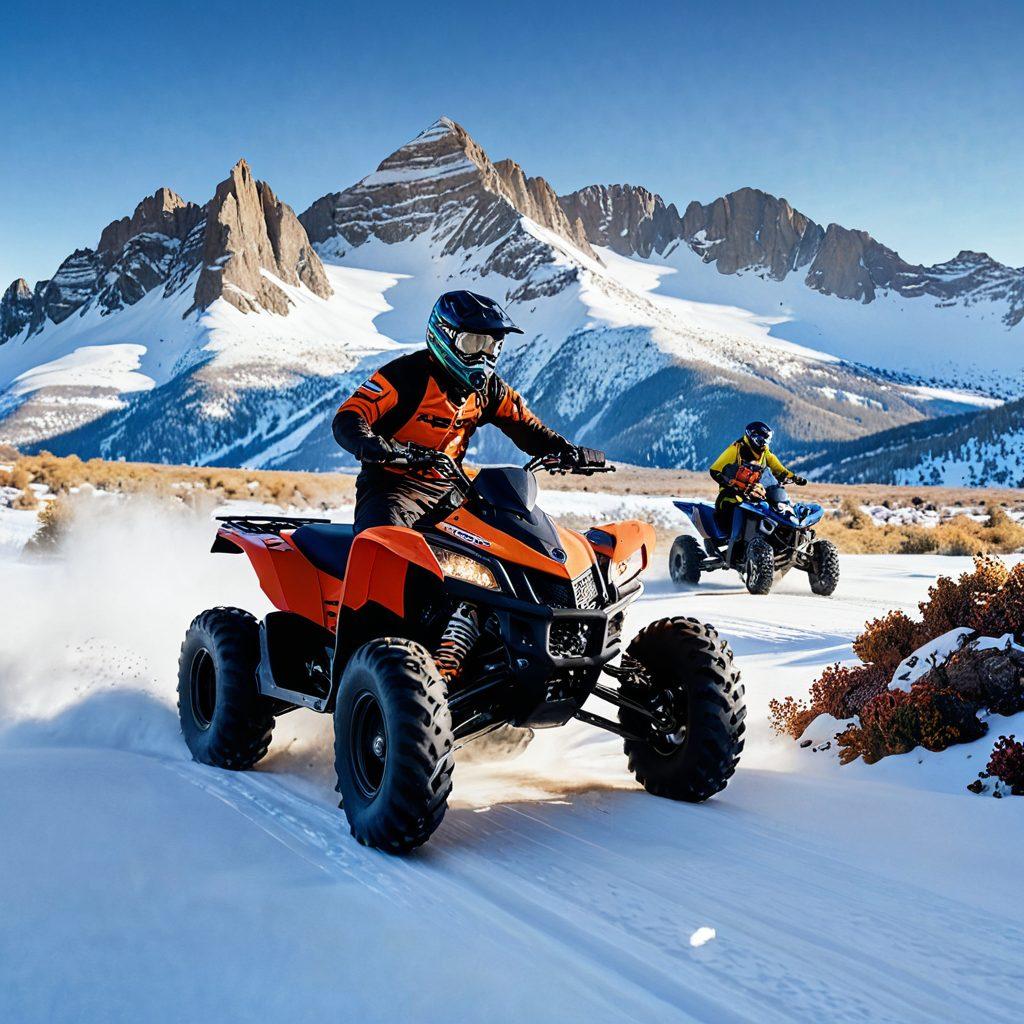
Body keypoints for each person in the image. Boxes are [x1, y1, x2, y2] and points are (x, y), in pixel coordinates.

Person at [333, 290, 605, 533]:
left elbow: (527, 428)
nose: (484, 357)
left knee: (511, 534)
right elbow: (350, 415)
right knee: (384, 541)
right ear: (445, 336)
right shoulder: (406, 376)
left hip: (454, 488)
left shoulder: (490, 390)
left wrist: (567, 450)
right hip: (393, 487)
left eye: (492, 346)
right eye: (474, 344)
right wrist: (368, 444)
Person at [708, 421, 807, 533]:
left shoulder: (765, 452)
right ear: (753, 438)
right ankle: (734, 539)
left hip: (757, 491)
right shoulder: (735, 449)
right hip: (733, 492)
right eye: (762, 441)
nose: (764, 444)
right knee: (736, 507)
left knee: (776, 509)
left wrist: (794, 477)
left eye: (767, 441)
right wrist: (731, 484)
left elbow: (778, 469)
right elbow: (715, 470)